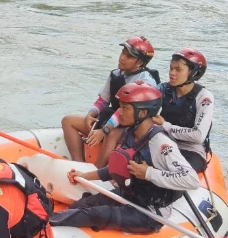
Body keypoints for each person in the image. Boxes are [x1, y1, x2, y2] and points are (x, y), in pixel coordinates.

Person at [50, 81, 199, 233]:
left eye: (125, 108)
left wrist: (149, 173)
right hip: (130, 196)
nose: (119, 112)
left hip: (150, 213)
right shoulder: (129, 133)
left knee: (96, 214)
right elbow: (116, 169)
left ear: (142, 113)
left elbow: (192, 179)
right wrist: (84, 176)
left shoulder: (161, 143)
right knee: (79, 206)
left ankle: (47, 223)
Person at [61, 36, 159, 168]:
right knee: (68, 121)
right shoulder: (116, 74)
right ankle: (79, 163)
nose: (122, 57)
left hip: (130, 125)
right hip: (112, 119)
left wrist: (104, 130)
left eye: (129, 56)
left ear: (140, 63)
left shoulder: (145, 82)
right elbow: (103, 100)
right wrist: (91, 114)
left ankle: (97, 170)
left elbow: (125, 110)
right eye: (123, 53)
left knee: (111, 134)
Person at [153, 48, 213, 172]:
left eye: (178, 69)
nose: (172, 73)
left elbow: (198, 136)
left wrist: (165, 126)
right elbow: (147, 94)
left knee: (177, 173)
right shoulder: (164, 89)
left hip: (191, 150)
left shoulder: (204, 98)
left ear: (193, 73)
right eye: (171, 68)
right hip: (164, 143)